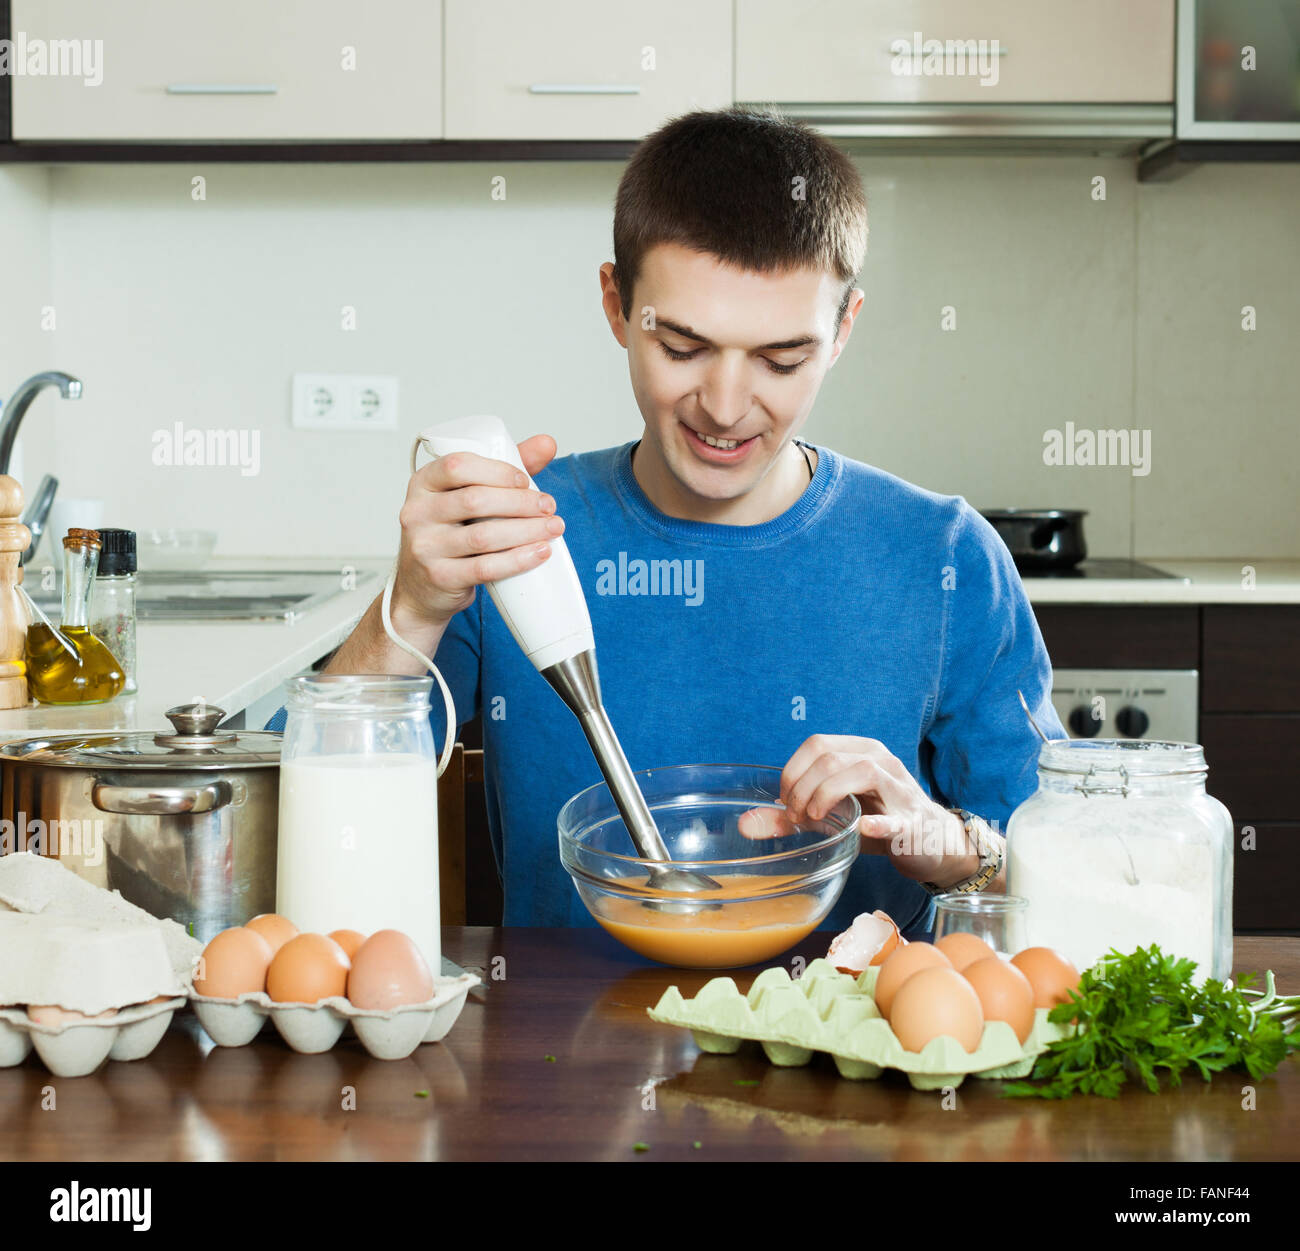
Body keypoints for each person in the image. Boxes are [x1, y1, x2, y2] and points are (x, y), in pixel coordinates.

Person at [271, 106, 1064, 938]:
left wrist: (956, 841)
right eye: (683, 347)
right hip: (563, 1050)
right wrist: (415, 605)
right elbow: (314, 806)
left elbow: (1055, 873)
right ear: (618, 305)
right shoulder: (518, 539)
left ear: (842, 331)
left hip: (859, 1057)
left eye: (781, 359)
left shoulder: (941, 555)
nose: (724, 407)